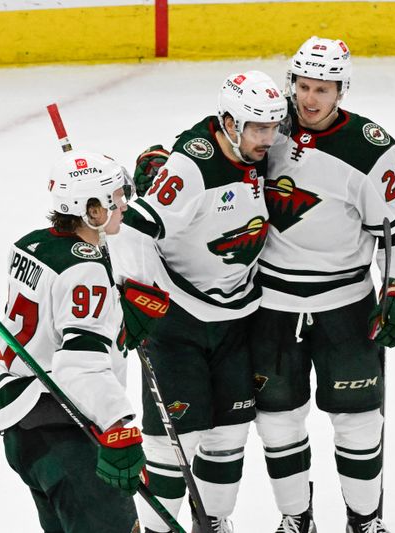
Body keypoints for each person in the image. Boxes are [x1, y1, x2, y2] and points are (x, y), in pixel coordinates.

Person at [251, 37, 395, 533]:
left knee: (358, 421)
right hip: (270, 303)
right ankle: (295, 519)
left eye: (322, 89)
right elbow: (215, 147)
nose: (309, 99)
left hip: (345, 304)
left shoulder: (370, 149)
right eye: (302, 86)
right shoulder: (265, 125)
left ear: (341, 89)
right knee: (278, 420)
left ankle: (364, 520)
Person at [109, 70, 288, 532]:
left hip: (237, 320)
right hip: (179, 325)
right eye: (257, 127)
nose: (268, 138)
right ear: (229, 123)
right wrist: (137, 291)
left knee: (229, 438)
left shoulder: (261, 153)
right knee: (172, 446)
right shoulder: (194, 167)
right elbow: (134, 228)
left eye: (273, 126)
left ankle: (216, 522)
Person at [0, 150, 169, 533]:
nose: (124, 205)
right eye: (116, 198)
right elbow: (78, 364)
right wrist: (117, 426)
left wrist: (114, 321)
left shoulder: (31, 245)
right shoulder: (86, 268)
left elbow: (55, 322)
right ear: (92, 209)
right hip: (66, 429)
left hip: (24, 428)